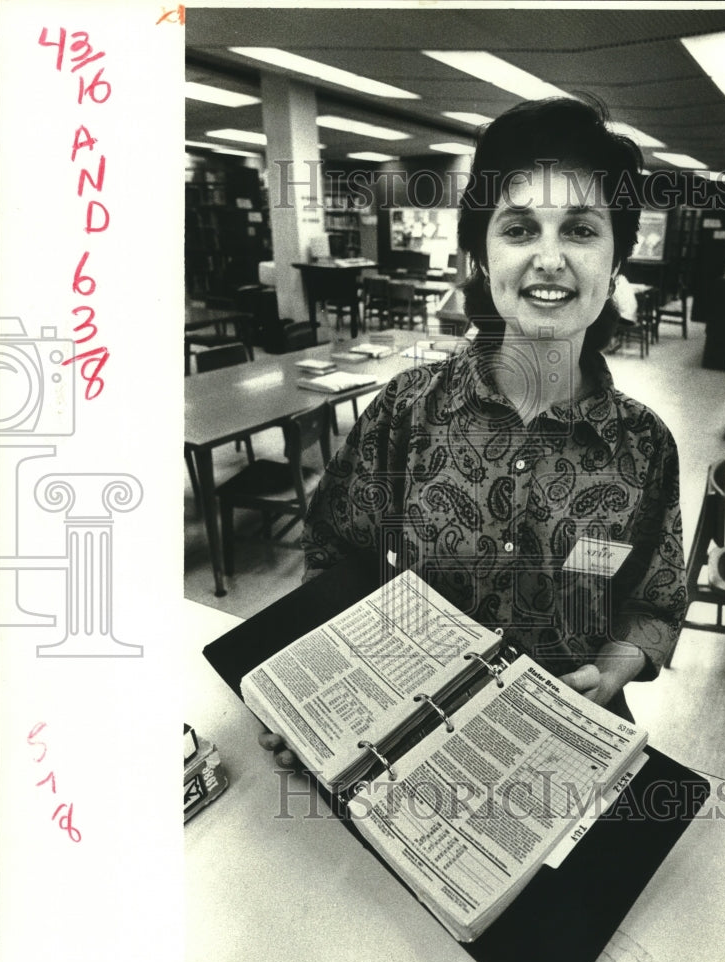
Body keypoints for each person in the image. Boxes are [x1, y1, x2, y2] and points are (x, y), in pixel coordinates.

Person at [260, 97, 686, 760]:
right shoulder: (407, 411)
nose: (549, 258)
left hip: (557, 739)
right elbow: (334, 550)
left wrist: (616, 665)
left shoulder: (645, 447)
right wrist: (317, 689)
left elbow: (654, 604)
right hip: (405, 726)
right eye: (518, 229)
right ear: (483, 256)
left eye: (579, 229)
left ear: (618, 258)